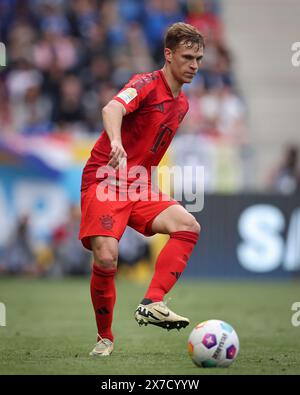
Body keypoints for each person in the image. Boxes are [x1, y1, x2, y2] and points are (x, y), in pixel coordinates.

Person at [79, 22, 204, 357]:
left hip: (137, 185)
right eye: (187, 57)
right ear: (168, 54)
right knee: (106, 257)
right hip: (106, 178)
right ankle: (104, 337)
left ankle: (153, 302)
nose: (194, 65)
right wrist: (116, 142)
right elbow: (112, 108)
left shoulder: (182, 105)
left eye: (199, 59)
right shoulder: (145, 84)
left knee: (188, 226)